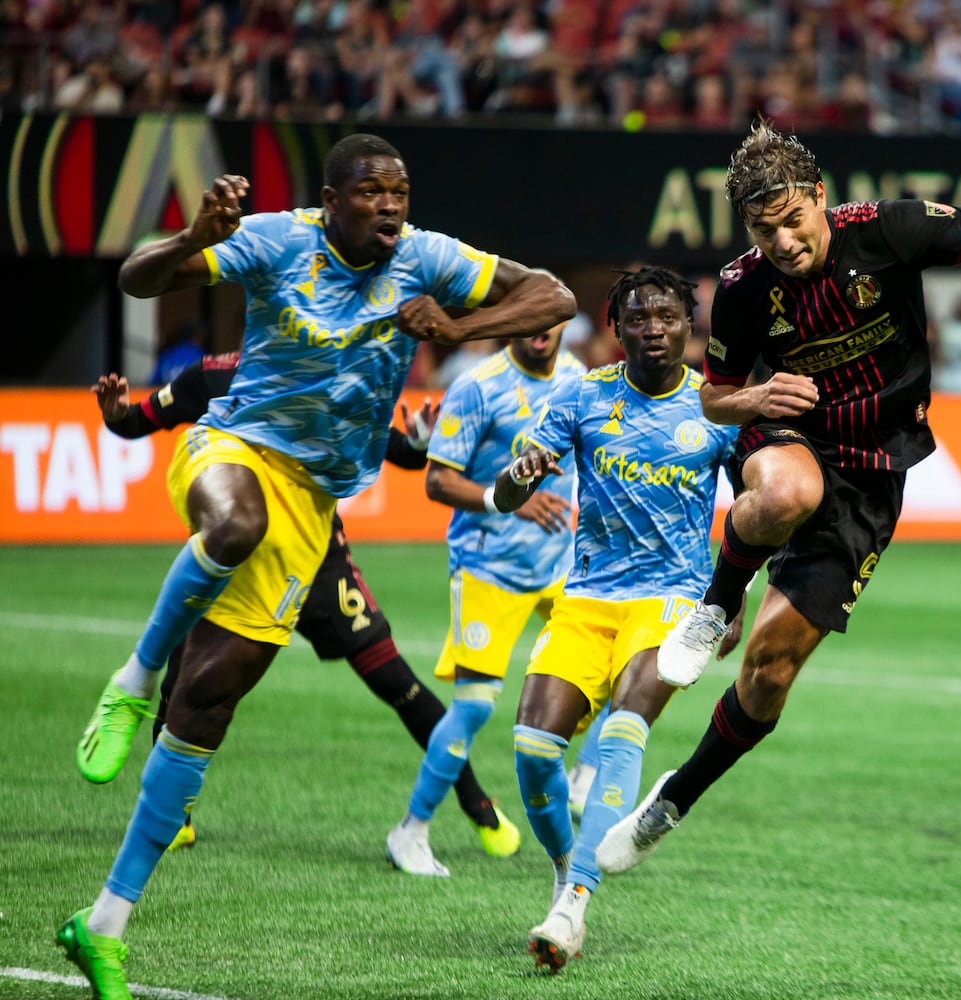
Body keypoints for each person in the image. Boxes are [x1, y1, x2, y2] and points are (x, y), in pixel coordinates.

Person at [59, 132, 575, 1000]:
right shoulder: (272, 239)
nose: (391, 206)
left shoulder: (428, 258)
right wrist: (192, 240)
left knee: (211, 700)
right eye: (373, 192)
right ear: (329, 201)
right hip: (235, 446)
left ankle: (103, 923)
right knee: (231, 526)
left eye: (401, 192)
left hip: (315, 501)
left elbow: (550, 293)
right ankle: (134, 674)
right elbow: (136, 280)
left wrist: (459, 325)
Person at [596, 120, 961, 876]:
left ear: (820, 199)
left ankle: (673, 800)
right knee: (786, 492)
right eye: (764, 230)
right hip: (793, 441)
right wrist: (762, 397)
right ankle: (714, 607)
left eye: (793, 221)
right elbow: (715, 401)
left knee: (770, 668)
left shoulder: (891, 232)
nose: (783, 243)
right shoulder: (742, 291)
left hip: (874, 474)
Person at [89, 355, 521, 857]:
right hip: (241, 556)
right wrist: (115, 412)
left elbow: (401, 453)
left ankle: (478, 806)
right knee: (187, 679)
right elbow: (137, 420)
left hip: (318, 562)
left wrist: (421, 439)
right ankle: (174, 814)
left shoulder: (332, 380)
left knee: (395, 681)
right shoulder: (212, 377)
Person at [497, 267, 739, 972]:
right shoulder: (582, 394)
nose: (653, 329)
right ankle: (565, 867)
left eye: (667, 316)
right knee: (534, 751)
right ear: (617, 327)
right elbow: (506, 493)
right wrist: (523, 473)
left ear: (689, 328)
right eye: (638, 318)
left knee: (625, 725)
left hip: (673, 600)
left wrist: (732, 591)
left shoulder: (717, 406)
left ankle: (573, 901)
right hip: (588, 597)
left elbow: (755, 509)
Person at [384, 319, 586, 876]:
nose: (541, 329)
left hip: (559, 562)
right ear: (511, 323)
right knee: (473, 707)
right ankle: (411, 831)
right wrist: (510, 501)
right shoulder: (477, 386)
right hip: (487, 565)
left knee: (617, 670)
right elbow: (436, 482)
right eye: (529, 318)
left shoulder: (578, 379)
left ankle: (583, 777)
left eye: (552, 318)